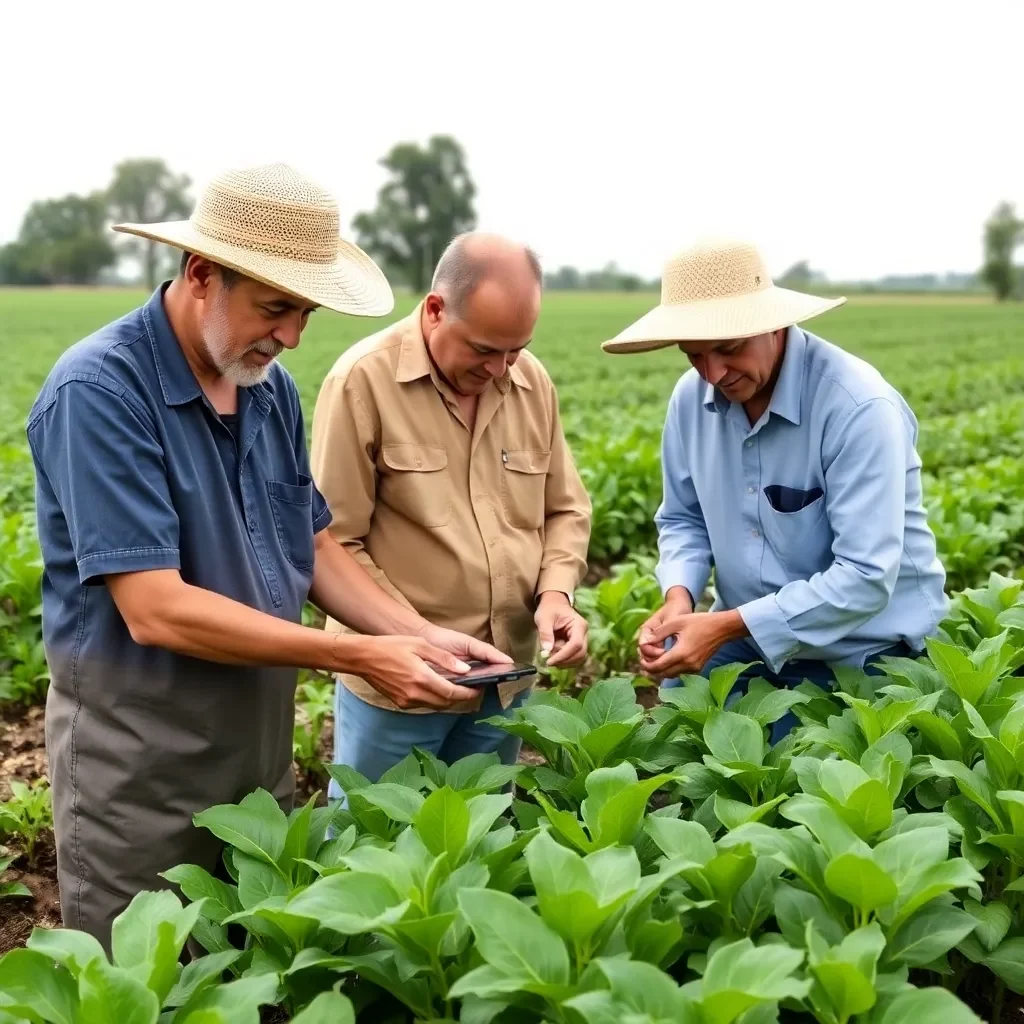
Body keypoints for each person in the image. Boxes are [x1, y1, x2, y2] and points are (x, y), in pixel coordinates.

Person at [25, 163, 509, 952]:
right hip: (142, 777)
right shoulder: (101, 391)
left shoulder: (268, 389)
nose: (289, 336)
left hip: (254, 759)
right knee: (150, 982)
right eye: (276, 307)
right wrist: (355, 654)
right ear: (202, 274)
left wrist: (417, 636)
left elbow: (311, 544)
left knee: (244, 975)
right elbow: (154, 607)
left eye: (305, 313)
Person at [602, 238, 948, 740]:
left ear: (774, 323)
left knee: (792, 770)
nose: (713, 373)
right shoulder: (690, 400)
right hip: (747, 638)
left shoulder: (857, 407)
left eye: (729, 348)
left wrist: (723, 626)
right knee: (672, 736)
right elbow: (684, 518)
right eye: (694, 355)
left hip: (863, 648)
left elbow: (866, 576)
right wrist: (679, 599)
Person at [310, 232, 592, 786]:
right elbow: (331, 540)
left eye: (515, 348)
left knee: (481, 842)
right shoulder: (363, 381)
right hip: (400, 688)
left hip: (504, 678)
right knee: (377, 844)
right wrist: (413, 640)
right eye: (484, 349)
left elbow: (565, 508)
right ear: (436, 310)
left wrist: (557, 593)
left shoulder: (530, 381)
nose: (500, 368)